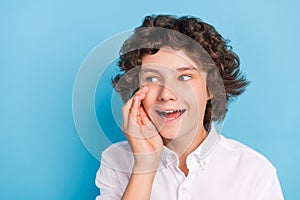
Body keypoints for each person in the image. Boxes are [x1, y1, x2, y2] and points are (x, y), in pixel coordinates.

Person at [95, 14, 284, 200]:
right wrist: (144, 166)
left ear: (212, 87)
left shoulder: (254, 172)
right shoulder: (116, 160)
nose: (166, 94)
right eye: (152, 78)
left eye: (184, 77)